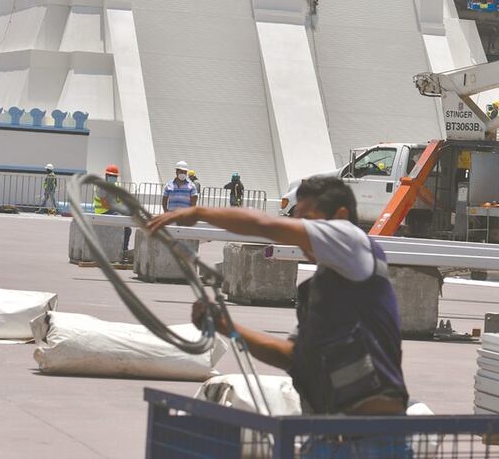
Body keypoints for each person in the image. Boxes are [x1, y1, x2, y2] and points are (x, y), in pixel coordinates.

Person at [146, 177, 409, 423]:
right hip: (329, 428)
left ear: (340, 216)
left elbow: (263, 224)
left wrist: (198, 213)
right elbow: (292, 357)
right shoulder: (319, 291)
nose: (297, 231)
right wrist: (226, 326)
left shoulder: (351, 239)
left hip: (373, 429)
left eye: (307, 221)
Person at [95, 164, 133, 260]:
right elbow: (105, 204)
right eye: (112, 176)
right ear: (106, 176)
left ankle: (124, 251)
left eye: (115, 176)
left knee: (128, 229)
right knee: (121, 223)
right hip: (102, 213)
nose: (114, 178)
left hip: (112, 212)